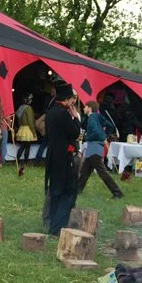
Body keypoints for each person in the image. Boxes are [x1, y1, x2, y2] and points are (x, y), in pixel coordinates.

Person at [44, 82, 81, 236]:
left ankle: (52, 223)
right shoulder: (63, 113)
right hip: (64, 158)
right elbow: (74, 133)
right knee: (68, 193)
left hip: (53, 155)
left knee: (55, 191)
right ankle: (57, 227)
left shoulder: (51, 111)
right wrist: (76, 118)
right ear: (66, 99)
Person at [78, 101, 124, 198]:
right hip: (95, 148)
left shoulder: (91, 117)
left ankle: (117, 192)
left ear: (89, 108)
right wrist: (104, 135)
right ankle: (77, 190)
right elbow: (111, 126)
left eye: (85, 107)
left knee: (103, 173)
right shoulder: (98, 116)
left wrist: (88, 137)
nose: (83, 109)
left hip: (94, 147)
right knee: (84, 172)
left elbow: (95, 132)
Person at [15, 93, 37, 173]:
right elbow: (30, 121)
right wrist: (34, 132)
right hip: (27, 129)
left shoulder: (20, 108)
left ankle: (17, 160)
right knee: (27, 146)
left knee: (23, 146)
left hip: (22, 128)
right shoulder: (29, 108)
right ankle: (25, 162)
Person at [34, 86, 56, 162]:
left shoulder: (50, 99)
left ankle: (38, 159)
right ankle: (46, 160)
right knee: (49, 145)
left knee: (44, 144)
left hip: (47, 126)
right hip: (49, 127)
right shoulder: (53, 100)